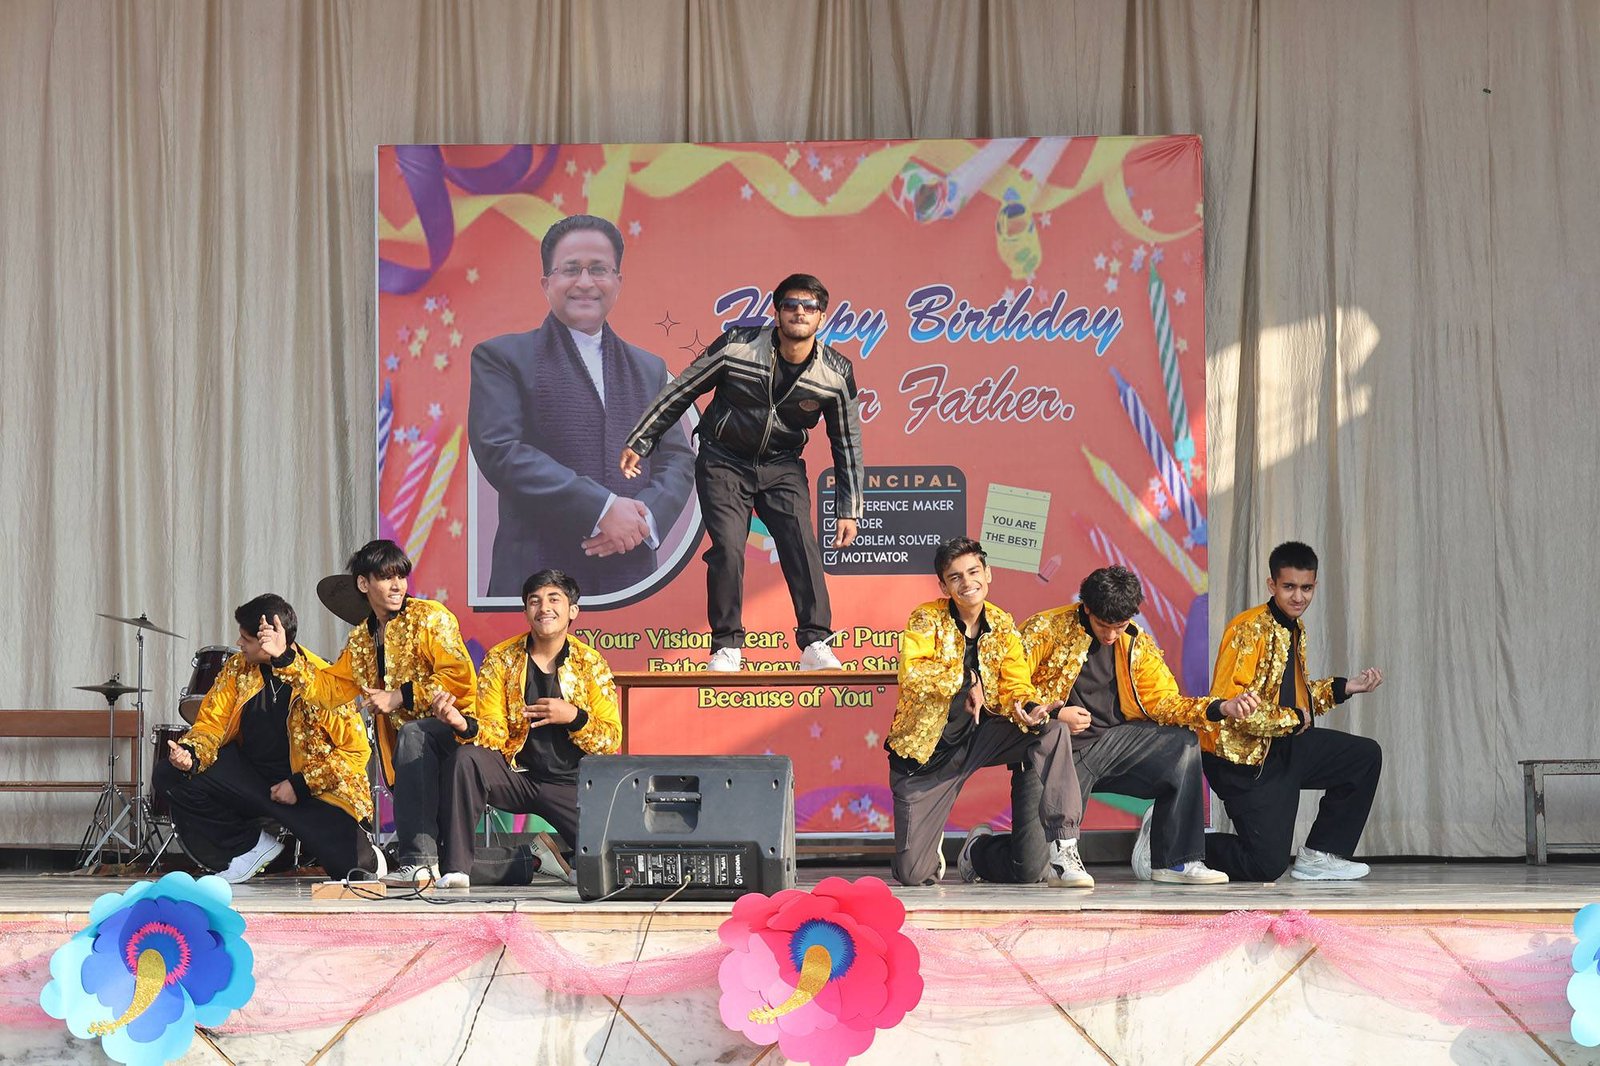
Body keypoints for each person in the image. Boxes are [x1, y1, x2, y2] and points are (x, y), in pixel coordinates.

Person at [619, 273, 864, 671]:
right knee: (729, 549)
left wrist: (848, 509)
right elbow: (683, 389)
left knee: (801, 544)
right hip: (723, 460)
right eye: (790, 305)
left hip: (782, 465)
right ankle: (727, 646)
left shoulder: (835, 373)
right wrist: (641, 439)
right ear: (776, 312)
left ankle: (815, 643)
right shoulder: (737, 345)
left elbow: (847, 441)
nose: (799, 312)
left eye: (809, 306)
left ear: (822, 317)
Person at [960, 566, 1236, 886]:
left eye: (1120, 626)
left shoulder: (1135, 641)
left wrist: (1218, 707)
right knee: (1030, 871)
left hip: (1111, 748)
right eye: (1104, 626)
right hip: (1050, 756)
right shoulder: (1045, 629)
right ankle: (977, 850)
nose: (1111, 636)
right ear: (1087, 608)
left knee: (1182, 743)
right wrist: (1054, 716)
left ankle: (1175, 860)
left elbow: (1164, 701)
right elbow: (1010, 689)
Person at [469, 214, 695, 599]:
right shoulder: (502, 357)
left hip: (630, 580)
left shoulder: (649, 369)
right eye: (571, 269)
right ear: (547, 283)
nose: (586, 282)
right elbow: (501, 450)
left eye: (599, 270)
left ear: (618, 282)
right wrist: (602, 509)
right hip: (536, 578)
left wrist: (642, 519)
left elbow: (677, 457)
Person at [260, 539, 477, 885]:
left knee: (414, 733)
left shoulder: (429, 617)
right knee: (454, 863)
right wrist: (285, 657)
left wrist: (400, 696)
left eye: (401, 577)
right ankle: (525, 860)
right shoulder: (362, 639)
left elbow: (460, 677)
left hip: (455, 731)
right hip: (408, 753)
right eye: (386, 577)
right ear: (363, 583)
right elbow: (329, 690)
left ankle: (419, 863)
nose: (397, 586)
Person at [884, 537, 1090, 888]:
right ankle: (952, 846)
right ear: (944, 586)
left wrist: (1030, 707)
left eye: (973, 572)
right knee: (913, 874)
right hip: (929, 756)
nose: (967, 582)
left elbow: (1015, 683)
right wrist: (968, 680)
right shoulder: (926, 618)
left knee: (1051, 730)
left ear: (988, 573)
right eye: (956, 577)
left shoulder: (1002, 622)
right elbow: (913, 674)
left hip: (981, 736)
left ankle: (1064, 847)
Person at [153, 594, 382, 883]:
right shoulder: (238, 669)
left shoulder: (320, 677)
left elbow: (356, 752)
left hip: (309, 790)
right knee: (170, 774)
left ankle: (370, 853)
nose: (239, 643)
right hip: (251, 781)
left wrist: (300, 785)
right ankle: (249, 846)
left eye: (246, 639)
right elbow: (211, 723)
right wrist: (192, 754)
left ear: (268, 640)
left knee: (356, 870)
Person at [1202, 540, 1385, 882]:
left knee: (1363, 756)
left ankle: (1321, 854)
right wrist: (1295, 719)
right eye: (1289, 587)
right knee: (1265, 866)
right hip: (1242, 761)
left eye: (1306, 588)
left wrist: (1345, 687)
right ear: (1272, 585)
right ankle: (1173, 840)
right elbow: (1233, 709)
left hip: (1282, 745)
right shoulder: (1248, 628)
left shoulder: (1295, 628)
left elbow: (1291, 701)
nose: (1298, 597)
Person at [433, 569, 622, 889]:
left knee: (613, 864)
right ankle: (457, 869)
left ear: (573, 610)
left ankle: (546, 859)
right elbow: (493, 730)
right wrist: (464, 724)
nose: (544, 607)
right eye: (535, 601)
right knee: (467, 759)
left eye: (554, 599)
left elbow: (610, 738)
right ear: (525, 611)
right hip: (515, 776)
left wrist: (574, 716)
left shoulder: (590, 663)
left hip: (571, 785)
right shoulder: (501, 658)